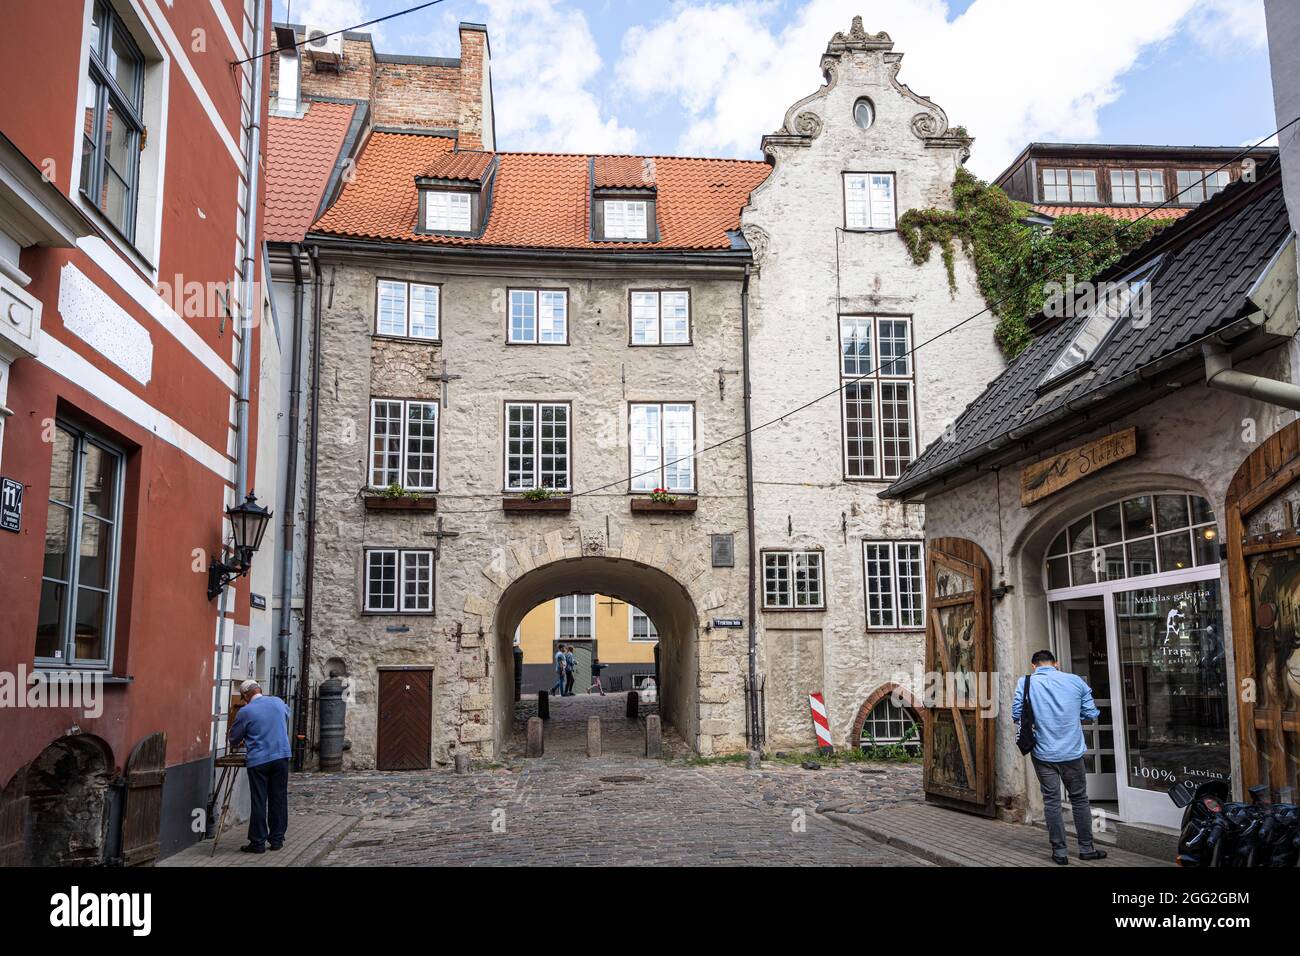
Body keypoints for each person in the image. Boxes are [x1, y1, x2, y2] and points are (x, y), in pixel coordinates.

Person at [1012, 649, 1107, 864]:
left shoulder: (1025, 683)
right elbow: (1092, 714)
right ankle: (1086, 849)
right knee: (1080, 799)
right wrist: (1073, 714)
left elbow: (1017, 714)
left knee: (1052, 802)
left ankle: (1060, 853)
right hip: (1072, 752)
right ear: (1056, 663)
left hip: (1043, 753)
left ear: (1034, 666)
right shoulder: (1075, 681)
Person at [227, 679, 292, 854]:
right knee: (278, 798)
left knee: (259, 800)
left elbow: (233, 738)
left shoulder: (246, 711)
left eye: (244, 698)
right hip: (281, 755)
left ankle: (258, 842)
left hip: (259, 760)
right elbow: (286, 716)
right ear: (260, 689)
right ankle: (277, 839)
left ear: (246, 696)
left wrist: (243, 737)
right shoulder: (278, 702)